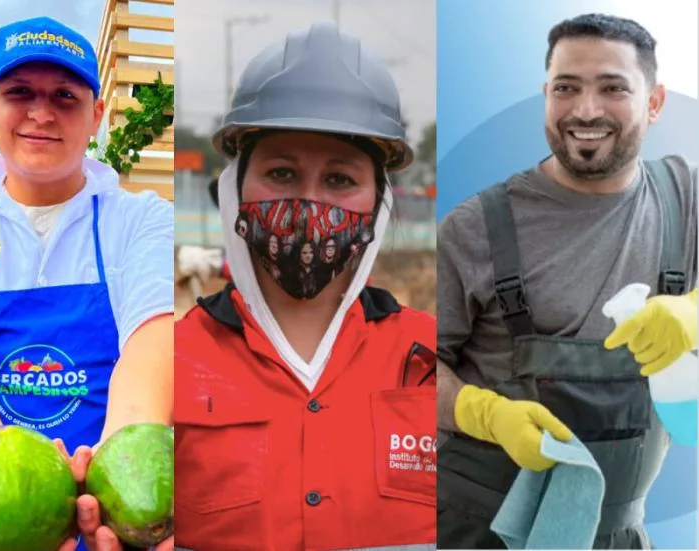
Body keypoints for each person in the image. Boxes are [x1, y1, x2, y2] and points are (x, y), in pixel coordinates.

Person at [0, 15, 174, 551]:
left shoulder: (143, 219)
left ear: (97, 115)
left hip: (109, 513)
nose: (41, 112)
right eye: (19, 92)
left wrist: (125, 469)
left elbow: (154, 335)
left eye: (65, 97)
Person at [436, 13, 697, 549]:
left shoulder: (686, 199)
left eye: (612, 88)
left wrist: (694, 310)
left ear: (654, 102)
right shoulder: (476, 227)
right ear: (545, 95)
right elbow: (403, 375)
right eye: (566, 88)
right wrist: (481, 413)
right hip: (478, 531)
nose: (585, 109)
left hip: (617, 535)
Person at [174, 21, 437, 551]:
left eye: (340, 179)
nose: (309, 205)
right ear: (236, 189)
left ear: (377, 206)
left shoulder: (435, 358)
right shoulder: (175, 359)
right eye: (282, 173)